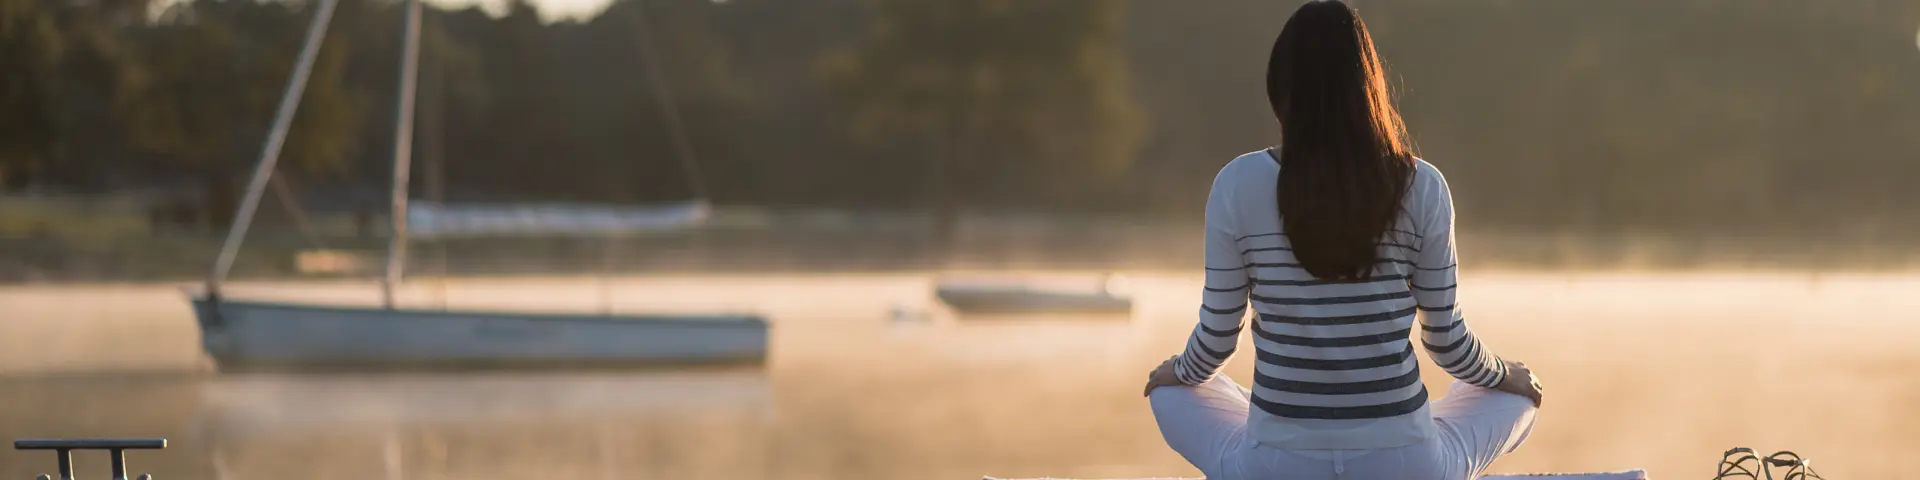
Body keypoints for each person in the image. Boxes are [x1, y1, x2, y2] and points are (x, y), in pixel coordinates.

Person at [1141, 2, 1546, 479]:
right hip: (1404, 464)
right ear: (1368, 89)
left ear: (1280, 89)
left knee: (1170, 391)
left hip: (1274, 466)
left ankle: (1272, 422)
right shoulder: (1423, 185)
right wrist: (1504, 375)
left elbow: (1216, 339)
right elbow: (1448, 343)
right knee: (1512, 395)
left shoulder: (1237, 183)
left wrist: (1180, 374)